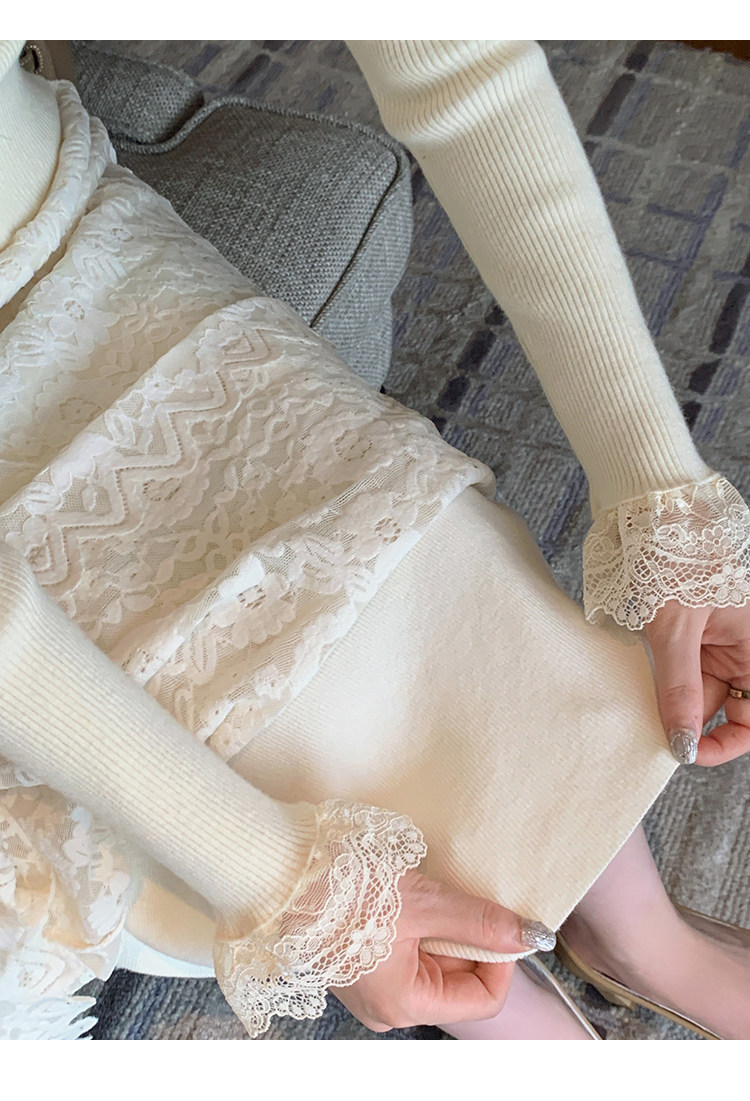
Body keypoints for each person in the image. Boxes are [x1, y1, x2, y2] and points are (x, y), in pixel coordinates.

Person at [0, 36, 749, 1042]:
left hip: (75, 243)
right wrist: (285, 886)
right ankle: (505, 1005)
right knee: (228, 707)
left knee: (419, 565)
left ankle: (635, 934)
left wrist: (661, 494)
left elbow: (458, 63)